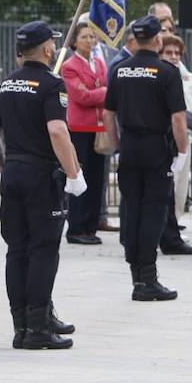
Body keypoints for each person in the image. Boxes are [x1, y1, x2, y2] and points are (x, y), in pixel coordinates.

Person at [0, 22, 85, 349]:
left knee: (17, 249)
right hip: (41, 176)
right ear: (47, 49)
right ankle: (38, 329)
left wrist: (4, 166)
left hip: (13, 172)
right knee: (43, 250)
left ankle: (22, 325)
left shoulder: (7, 83)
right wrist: (74, 173)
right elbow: (57, 132)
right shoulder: (52, 84)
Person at [103, 15, 188, 301]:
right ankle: (148, 278)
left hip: (129, 146)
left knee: (132, 210)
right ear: (157, 39)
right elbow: (178, 119)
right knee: (154, 210)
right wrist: (182, 151)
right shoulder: (167, 72)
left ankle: (136, 275)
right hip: (155, 147)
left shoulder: (120, 69)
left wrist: (117, 145)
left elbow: (108, 114)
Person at [61, 20, 109, 246]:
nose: (89, 41)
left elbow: (97, 93)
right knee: (80, 173)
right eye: (84, 37)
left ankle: (90, 225)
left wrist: (98, 92)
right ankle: (76, 226)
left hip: (98, 126)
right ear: (74, 42)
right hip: (80, 127)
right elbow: (82, 97)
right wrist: (103, 92)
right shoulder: (70, 66)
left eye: (92, 37)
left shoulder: (99, 63)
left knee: (97, 177)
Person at [160, 33, 192, 219]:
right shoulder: (162, 76)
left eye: (177, 53)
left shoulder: (184, 77)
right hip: (170, 139)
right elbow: (176, 112)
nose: (174, 56)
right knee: (171, 186)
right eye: (169, 52)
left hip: (187, 136)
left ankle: (175, 224)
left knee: (181, 189)